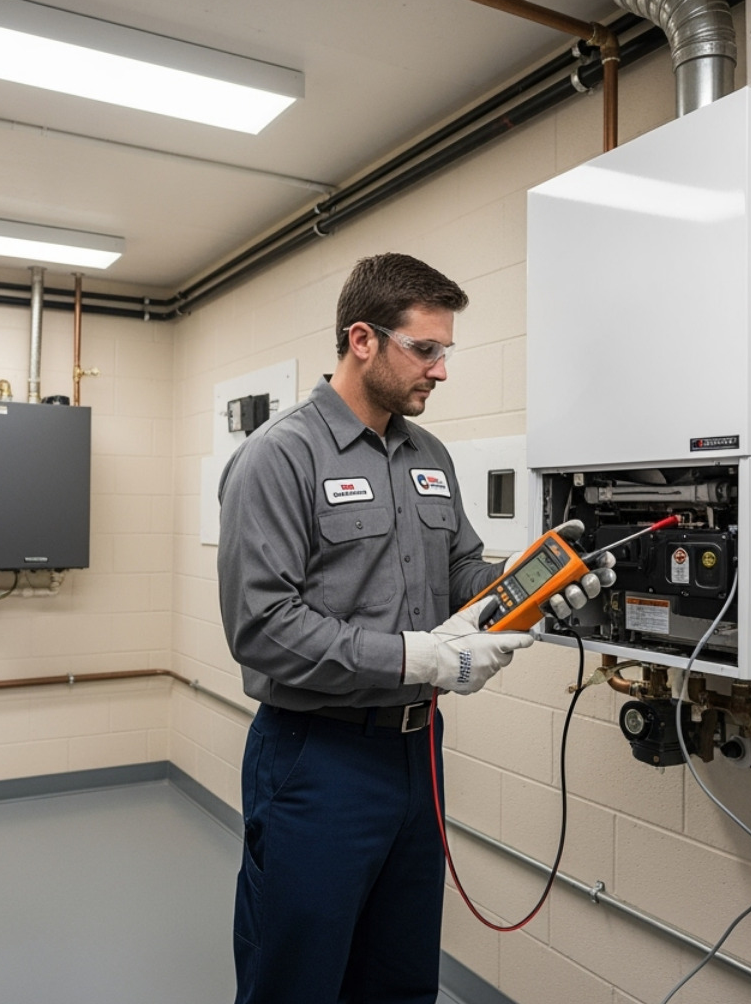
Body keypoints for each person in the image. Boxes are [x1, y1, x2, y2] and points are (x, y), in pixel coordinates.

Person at [216, 253, 612, 1004]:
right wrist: (417, 658)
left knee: (399, 979)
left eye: (445, 351)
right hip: (315, 756)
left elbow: (462, 574)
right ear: (362, 340)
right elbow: (262, 627)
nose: (440, 369)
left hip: (414, 756)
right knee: (296, 979)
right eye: (425, 350)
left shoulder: (428, 455)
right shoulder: (278, 456)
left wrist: (537, 588)